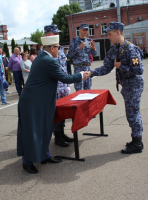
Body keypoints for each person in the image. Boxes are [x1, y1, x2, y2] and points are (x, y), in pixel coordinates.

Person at [17, 35, 88, 173]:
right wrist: (81, 75)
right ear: (52, 48)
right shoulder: (49, 60)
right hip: (33, 101)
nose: (59, 50)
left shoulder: (42, 57)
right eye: (58, 47)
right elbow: (65, 78)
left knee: (44, 128)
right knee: (32, 131)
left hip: (39, 100)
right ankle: (27, 162)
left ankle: (44, 155)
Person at [86, 22, 144, 154]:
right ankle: (136, 140)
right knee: (131, 113)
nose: (108, 37)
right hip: (126, 85)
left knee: (133, 113)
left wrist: (120, 67)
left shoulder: (131, 49)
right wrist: (91, 73)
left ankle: (137, 143)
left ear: (118, 32)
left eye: (109, 34)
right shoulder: (114, 49)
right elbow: (106, 67)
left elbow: (139, 70)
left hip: (134, 84)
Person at [40, 24, 75, 147]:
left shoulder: (58, 48)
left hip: (63, 86)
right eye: (55, 33)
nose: (58, 35)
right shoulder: (45, 51)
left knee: (63, 111)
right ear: (48, 35)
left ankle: (62, 133)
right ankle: (57, 136)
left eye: (57, 33)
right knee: (56, 112)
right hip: (54, 87)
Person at [68, 23, 97, 91]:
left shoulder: (89, 40)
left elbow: (94, 54)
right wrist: (79, 48)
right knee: (79, 91)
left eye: (86, 30)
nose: (85, 31)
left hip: (87, 68)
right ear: (79, 29)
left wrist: (93, 48)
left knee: (88, 90)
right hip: (78, 68)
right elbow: (70, 54)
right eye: (84, 29)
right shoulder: (74, 40)